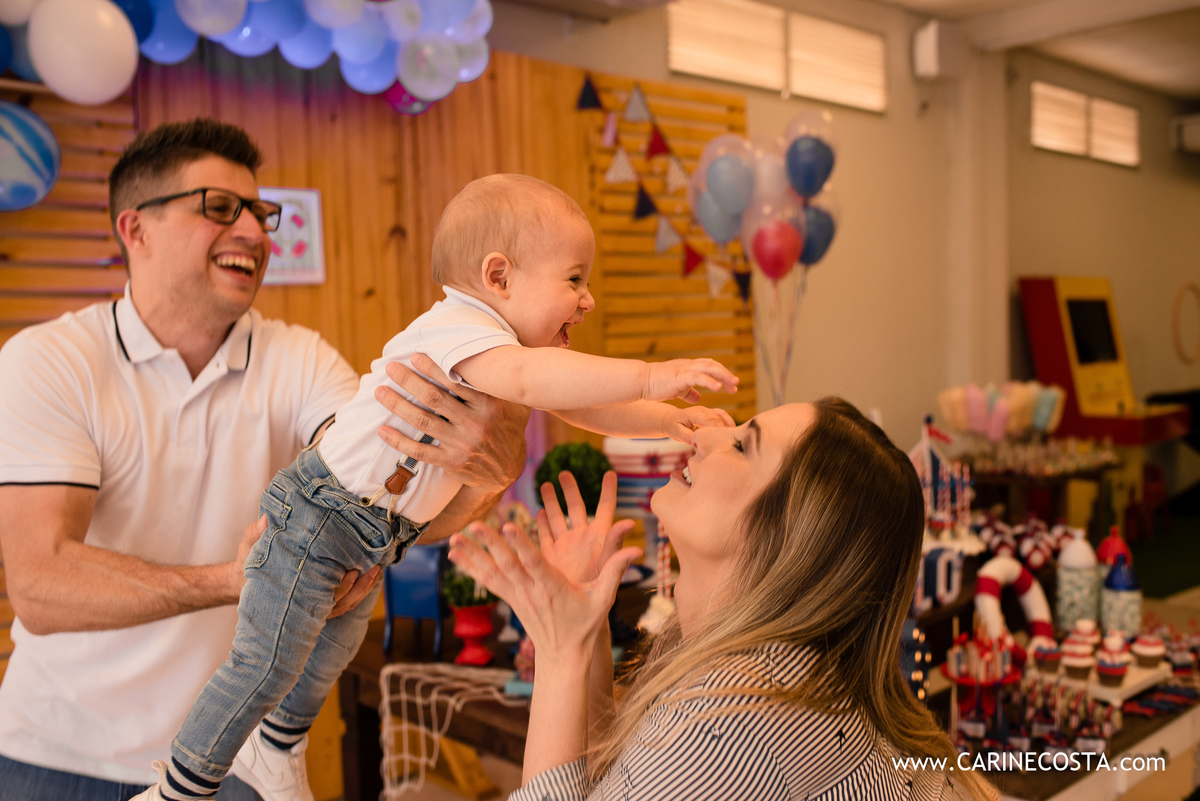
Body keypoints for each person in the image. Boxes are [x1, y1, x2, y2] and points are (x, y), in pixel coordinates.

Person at [129, 172, 739, 801]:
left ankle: (276, 749)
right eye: (574, 279)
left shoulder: (500, 351)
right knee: (264, 663)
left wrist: (667, 421)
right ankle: (178, 788)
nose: (587, 300)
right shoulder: (460, 328)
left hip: (372, 533)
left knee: (330, 653)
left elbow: (580, 404)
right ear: (498, 277)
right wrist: (650, 377)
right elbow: (533, 379)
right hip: (320, 514)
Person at [0, 118, 530, 801]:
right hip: (54, 757)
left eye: (259, 211)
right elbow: (42, 585)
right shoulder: (49, 362)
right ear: (137, 229)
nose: (254, 231)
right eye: (220, 208)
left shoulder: (300, 359)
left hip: (234, 766)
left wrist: (486, 476)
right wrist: (246, 578)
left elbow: (388, 507)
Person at [450, 398, 999, 801]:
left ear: (785, 539)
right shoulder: (768, 669)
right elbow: (609, 783)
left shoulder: (741, 719)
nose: (704, 435)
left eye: (740, 444)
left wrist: (560, 652)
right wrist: (584, 630)